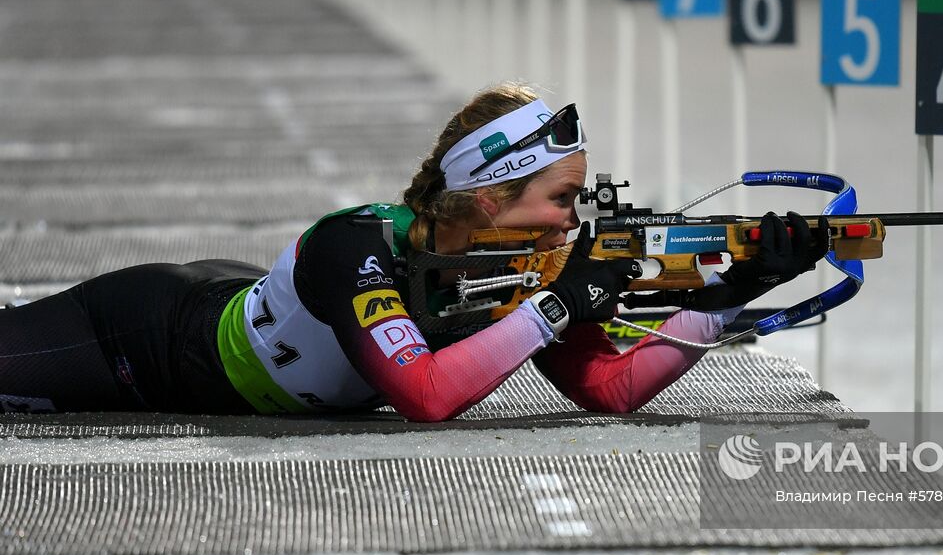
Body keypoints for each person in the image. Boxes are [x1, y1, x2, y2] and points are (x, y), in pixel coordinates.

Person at [0, 83, 827, 421]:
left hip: (233, 303)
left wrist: (722, 301)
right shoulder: (359, 245)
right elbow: (424, 396)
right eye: (560, 200)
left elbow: (607, 388)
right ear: (486, 199)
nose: (570, 222)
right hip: (138, 339)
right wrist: (565, 301)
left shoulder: (532, 276)